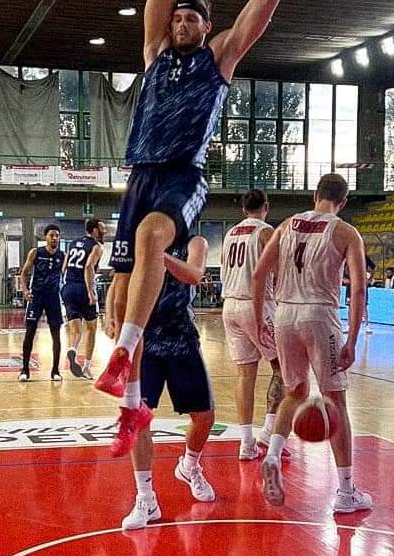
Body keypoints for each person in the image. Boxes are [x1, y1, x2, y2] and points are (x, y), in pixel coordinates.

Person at [95, 0, 320, 452]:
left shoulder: (217, 61)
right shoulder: (153, 56)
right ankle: (131, 410)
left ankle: (125, 351)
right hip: (140, 174)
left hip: (182, 173)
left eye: (192, 17)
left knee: (154, 237)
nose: (181, 22)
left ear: (206, 27)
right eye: (177, 16)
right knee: (124, 291)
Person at [251, 173, 372, 513]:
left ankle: (273, 454)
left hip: (285, 315)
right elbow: (359, 288)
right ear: (343, 202)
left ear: (314, 195)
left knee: (295, 392)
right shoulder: (346, 232)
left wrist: (262, 318)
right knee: (336, 401)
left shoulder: (287, 224)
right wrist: (352, 339)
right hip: (320, 315)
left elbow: (260, 273)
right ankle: (346, 492)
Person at [120, 235, 216, 530]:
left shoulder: (195, 242)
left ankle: (189, 465)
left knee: (204, 417)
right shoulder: (136, 240)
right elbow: (122, 283)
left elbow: (194, 275)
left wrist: (159, 255)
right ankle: (145, 497)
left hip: (182, 341)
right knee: (137, 420)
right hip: (145, 343)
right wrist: (116, 320)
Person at [220, 188, 286, 461]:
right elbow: (280, 269)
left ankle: (245, 442)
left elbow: (225, 263)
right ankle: (268, 434)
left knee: (244, 375)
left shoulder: (230, 233)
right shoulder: (266, 232)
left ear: (242, 208)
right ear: (266, 206)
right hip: (256, 304)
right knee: (283, 369)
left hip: (230, 306)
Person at [19, 225, 65, 382]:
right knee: (30, 332)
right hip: (37, 296)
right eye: (51, 235)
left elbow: (66, 275)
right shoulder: (36, 252)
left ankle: (55, 370)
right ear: (45, 237)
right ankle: (24, 370)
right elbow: (24, 273)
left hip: (53, 297)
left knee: (56, 334)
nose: (54, 238)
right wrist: (25, 291)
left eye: (57, 235)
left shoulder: (62, 255)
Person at [61, 218, 105, 380]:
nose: (104, 231)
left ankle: (72, 349)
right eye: (102, 228)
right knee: (92, 329)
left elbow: (64, 268)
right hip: (83, 289)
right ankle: (86, 367)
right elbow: (88, 267)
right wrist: (90, 292)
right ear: (94, 230)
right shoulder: (97, 247)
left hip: (68, 288)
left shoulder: (73, 243)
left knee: (75, 329)